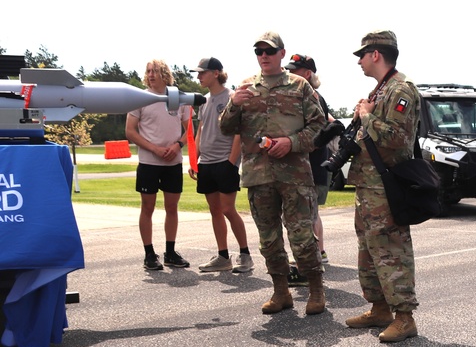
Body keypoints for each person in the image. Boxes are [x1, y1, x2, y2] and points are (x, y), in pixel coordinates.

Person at [218, 31, 327, 315]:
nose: (264, 56)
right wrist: (233, 105)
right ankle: (281, 292)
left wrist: (291, 143)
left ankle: (316, 290)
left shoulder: (300, 86)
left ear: (281, 53)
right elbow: (226, 129)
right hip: (259, 175)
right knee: (269, 238)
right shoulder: (244, 87)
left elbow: (319, 128)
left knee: (302, 235)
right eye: (259, 51)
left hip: (295, 175)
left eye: (269, 51)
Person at [344, 30, 421, 343]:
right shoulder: (380, 90)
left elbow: (398, 139)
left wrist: (366, 118)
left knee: (391, 248)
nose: (359, 61)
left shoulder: (401, 90)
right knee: (369, 247)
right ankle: (379, 308)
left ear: (376, 54)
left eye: (362, 55)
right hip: (368, 185)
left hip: (385, 185)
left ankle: (405, 317)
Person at [125, 59, 193, 271]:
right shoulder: (139, 99)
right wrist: (154, 149)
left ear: (165, 73)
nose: (151, 74)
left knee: (171, 208)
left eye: (155, 71)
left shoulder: (178, 98)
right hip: (148, 162)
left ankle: (170, 252)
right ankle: (149, 254)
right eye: (148, 71)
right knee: (148, 207)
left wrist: (177, 146)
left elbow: (190, 129)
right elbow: (130, 131)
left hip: (173, 163)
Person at [189, 57, 253, 273]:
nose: (198, 76)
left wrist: (231, 162)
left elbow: (239, 132)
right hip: (206, 162)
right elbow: (201, 130)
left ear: (215, 73)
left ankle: (245, 255)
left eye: (202, 72)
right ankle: (223, 256)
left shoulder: (232, 97)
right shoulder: (204, 100)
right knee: (215, 210)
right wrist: (194, 159)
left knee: (228, 209)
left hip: (225, 162)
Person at [285, 53, 332, 285]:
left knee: (306, 215)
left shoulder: (311, 96)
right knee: (312, 214)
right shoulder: (315, 96)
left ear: (307, 74)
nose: (289, 74)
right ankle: (319, 253)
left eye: (294, 70)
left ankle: (308, 264)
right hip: (312, 167)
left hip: (310, 167)